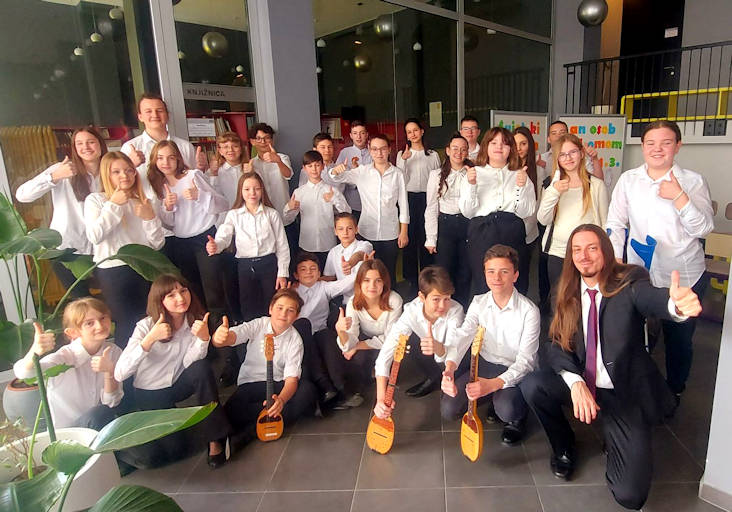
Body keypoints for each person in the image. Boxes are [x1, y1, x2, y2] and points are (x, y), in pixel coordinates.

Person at [519, 224, 702, 510]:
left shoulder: (629, 282)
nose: (584, 256)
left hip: (623, 391)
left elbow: (651, 298)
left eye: (592, 248)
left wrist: (675, 306)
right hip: (584, 383)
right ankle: (564, 445)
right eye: (577, 250)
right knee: (533, 385)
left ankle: (615, 437)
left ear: (605, 251)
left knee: (630, 495)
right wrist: (575, 382)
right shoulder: (565, 291)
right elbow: (555, 343)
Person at [605, 120, 714, 400]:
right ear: (642, 146)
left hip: (683, 274)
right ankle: (639, 389)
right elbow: (615, 223)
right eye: (651, 143)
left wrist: (679, 197)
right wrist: (616, 261)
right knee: (638, 335)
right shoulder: (629, 180)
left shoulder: (692, 181)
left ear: (677, 146)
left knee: (679, 340)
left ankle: (674, 390)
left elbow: (703, 229)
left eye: (666, 143)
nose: (657, 149)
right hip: (640, 274)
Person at [115, 274, 231, 468]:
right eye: (171, 295)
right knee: (176, 451)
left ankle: (215, 438)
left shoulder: (194, 321)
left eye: (183, 291)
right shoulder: (146, 326)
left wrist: (203, 339)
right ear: (160, 301)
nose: (180, 298)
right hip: (150, 392)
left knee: (201, 368)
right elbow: (120, 373)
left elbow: (189, 363)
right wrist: (149, 339)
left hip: (178, 384)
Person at [441, 245, 539, 445]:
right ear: (484, 274)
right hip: (485, 365)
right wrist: (449, 368)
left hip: (514, 368)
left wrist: (493, 384)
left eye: (504, 272)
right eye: (491, 271)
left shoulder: (529, 311)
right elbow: (463, 335)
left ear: (515, 275)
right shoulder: (479, 303)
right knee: (448, 409)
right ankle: (493, 397)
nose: (497, 278)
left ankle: (517, 417)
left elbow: (526, 362)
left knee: (507, 409)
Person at [212, 289, 317, 442]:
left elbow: (291, 380)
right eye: (279, 308)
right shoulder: (258, 324)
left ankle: (250, 432)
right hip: (251, 384)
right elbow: (235, 335)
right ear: (270, 309)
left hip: (277, 385)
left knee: (308, 391)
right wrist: (221, 338)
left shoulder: (295, 340)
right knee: (231, 409)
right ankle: (271, 421)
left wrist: (281, 401)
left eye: (290, 310)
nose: (283, 314)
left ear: (296, 316)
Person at [84, 152, 164, 348]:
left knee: (149, 321)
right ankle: (125, 367)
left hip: (143, 268)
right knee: (127, 324)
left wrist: (150, 218)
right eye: (116, 172)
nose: (124, 176)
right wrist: (113, 205)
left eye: (129, 170)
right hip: (114, 270)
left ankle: (152, 365)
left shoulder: (141, 200)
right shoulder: (96, 200)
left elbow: (157, 244)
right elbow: (95, 236)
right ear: (107, 174)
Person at [16, 127, 108, 297]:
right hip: (68, 250)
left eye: (91, 142)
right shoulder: (63, 169)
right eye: (79, 143)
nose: (85, 147)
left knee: (113, 299)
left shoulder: (110, 171)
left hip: (103, 249)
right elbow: (23, 195)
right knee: (82, 303)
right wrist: (54, 176)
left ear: (101, 144)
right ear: (74, 147)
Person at [148, 140, 230, 328]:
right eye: (160, 158)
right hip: (180, 243)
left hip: (204, 238)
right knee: (191, 293)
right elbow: (169, 224)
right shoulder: (158, 185)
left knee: (214, 292)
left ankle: (221, 334)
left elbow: (223, 204)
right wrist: (168, 207)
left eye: (170, 157)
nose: (166, 162)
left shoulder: (193, 176)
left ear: (178, 159)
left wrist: (199, 196)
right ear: (154, 161)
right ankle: (201, 335)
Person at [13, 298, 123, 429]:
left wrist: (109, 372)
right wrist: (35, 351)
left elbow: (111, 402)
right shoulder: (63, 357)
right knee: (98, 414)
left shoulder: (113, 351)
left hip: (99, 425)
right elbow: (23, 373)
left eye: (103, 318)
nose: (99, 326)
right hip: (68, 432)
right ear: (72, 332)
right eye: (89, 323)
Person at [458, 127, 536, 297]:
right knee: (484, 282)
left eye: (504, 143)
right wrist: (472, 185)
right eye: (493, 143)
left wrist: (521, 187)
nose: (499, 147)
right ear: (486, 146)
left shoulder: (520, 174)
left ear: (511, 149)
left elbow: (526, 211)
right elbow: (467, 212)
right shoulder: (474, 173)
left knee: (515, 281)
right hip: (482, 233)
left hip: (512, 231)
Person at [374, 266, 464, 409]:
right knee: (407, 341)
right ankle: (434, 376)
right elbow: (385, 353)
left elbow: (453, 352)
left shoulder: (456, 311)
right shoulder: (411, 311)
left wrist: (438, 347)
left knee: (450, 407)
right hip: (430, 351)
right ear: (422, 297)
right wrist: (380, 399)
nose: (442, 305)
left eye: (447, 299)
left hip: (455, 360)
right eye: (436, 299)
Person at [206, 172, 290, 321]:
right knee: (248, 306)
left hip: (269, 265)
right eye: (247, 189)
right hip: (245, 266)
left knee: (270, 305)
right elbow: (224, 237)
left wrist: (282, 272)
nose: (252, 193)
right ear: (241, 191)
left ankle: (270, 334)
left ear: (262, 190)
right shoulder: (234, 215)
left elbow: (282, 245)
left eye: (256, 189)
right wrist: (215, 246)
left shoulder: (271, 214)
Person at [329, 134, 409, 283]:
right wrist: (335, 171)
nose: (379, 153)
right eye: (375, 149)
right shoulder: (362, 172)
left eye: (383, 149)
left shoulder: (398, 174)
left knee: (388, 273)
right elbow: (338, 178)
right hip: (366, 231)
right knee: (367, 273)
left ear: (389, 150)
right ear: (370, 151)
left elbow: (404, 204)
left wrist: (403, 232)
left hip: (390, 232)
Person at [537, 133, 609, 291]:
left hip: (588, 256)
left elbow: (605, 224)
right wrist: (554, 192)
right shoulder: (551, 185)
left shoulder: (596, 185)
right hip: (558, 253)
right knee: (559, 299)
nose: (568, 158)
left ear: (582, 154)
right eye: (562, 154)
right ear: (557, 159)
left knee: (586, 298)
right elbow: (543, 219)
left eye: (573, 152)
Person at [292, 251, 357, 407]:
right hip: (300, 336)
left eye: (313, 269)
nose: (308, 272)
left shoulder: (324, 287)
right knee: (304, 330)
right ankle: (325, 387)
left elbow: (348, 282)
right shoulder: (291, 292)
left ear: (319, 273)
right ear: (296, 275)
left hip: (320, 332)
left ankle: (341, 388)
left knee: (327, 337)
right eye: (303, 269)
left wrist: (364, 265)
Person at [335, 259, 402, 406]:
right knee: (357, 359)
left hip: (388, 344)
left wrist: (359, 345)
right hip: (366, 338)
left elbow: (391, 339)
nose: (372, 286)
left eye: (378, 280)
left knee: (393, 362)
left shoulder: (394, 300)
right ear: (359, 282)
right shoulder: (353, 303)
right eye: (366, 280)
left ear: (384, 283)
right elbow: (349, 344)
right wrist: (341, 331)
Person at [424, 133, 471, 307]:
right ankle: (445, 309)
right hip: (445, 226)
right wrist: (431, 238)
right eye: (455, 148)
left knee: (465, 272)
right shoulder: (436, 175)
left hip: (467, 225)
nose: (459, 153)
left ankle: (462, 309)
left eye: (463, 149)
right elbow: (431, 207)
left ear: (467, 152)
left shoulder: (473, 173)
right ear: (448, 150)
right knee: (444, 271)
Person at [283, 151, 351, 269]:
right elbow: (288, 219)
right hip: (306, 243)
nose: (314, 169)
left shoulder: (332, 190)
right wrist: (289, 207)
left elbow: (347, 213)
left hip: (328, 242)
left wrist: (335, 200)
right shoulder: (299, 192)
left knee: (328, 275)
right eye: (310, 166)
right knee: (308, 275)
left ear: (323, 166)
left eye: (317, 165)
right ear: (304, 168)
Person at [396, 118, 442, 289]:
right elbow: (400, 180)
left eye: (415, 130)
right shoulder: (402, 155)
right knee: (410, 239)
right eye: (409, 132)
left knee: (426, 236)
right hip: (408, 199)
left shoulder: (432, 155)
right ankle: (410, 280)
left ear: (422, 131)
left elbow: (439, 177)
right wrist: (404, 161)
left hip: (428, 199)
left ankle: (427, 276)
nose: (413, 134)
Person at [121, 93, 206, 184]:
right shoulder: (129, 148)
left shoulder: (185, 147)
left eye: (159, 110)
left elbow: (197, 183)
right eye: (148, 111)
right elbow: (119, 185)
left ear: (167, 115)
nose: (155, 115)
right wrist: (131, 166)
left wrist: (201, 169)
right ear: (140, 117)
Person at [513, 126, 547, 302]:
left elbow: (539, 201)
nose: (519, 148)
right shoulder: (507, 169)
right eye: (515, 144)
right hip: (508, 229)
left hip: (529, 229)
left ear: (530, 146)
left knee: (523, 272)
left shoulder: (539, 170)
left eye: (523, 143)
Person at [322, 212, 375, 307]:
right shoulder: (333, 251)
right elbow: (330, 277)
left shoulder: (365, 245)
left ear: (356, 230)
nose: (345, 232)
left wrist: (350, 263)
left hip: (366, 297)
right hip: (345, 299)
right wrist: (312, 280)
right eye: (341, 229)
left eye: (349, 228)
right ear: (335, 231)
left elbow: (359, 254)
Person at [246, 122, 293, 216]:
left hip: (283, 210)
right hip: (262, 213)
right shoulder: (252, 163)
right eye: (258, 138)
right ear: (252, 142)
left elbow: (288, 175)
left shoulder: (282, 157)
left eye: (267, 138)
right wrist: (249, 173)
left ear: (272, 140)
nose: (263, 142)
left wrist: (278, 161)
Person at [538, 120, 604, 184]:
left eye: (562, 133)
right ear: (548, 139)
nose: (558, 136)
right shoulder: (541, 159)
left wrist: (594, 159)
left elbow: (598, 182)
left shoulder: (579, 156)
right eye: (554, 133)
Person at [208, 131, 248, 214]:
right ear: (220, 151)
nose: (230, 150)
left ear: (241, 149)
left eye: (235, 146)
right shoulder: (214, 172)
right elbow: (211, 197)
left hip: (246, 214)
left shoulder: (250, 168)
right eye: (225, 147)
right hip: (225, 215)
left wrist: (251, 174)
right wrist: (214, 175)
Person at [335, 120, 370, 214]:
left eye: (362, 133)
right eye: (355, 133)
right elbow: (337, 176)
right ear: (351, 135)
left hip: (370, 201)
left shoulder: (373, 153)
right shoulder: (344, 152)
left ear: (366, 135)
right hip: (351, 201)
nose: (359, 137)